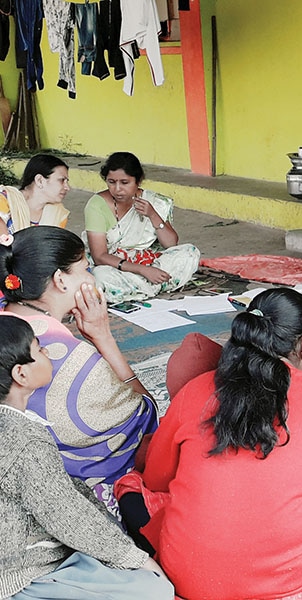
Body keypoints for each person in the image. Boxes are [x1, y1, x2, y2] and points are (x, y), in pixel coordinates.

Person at [114, 289, 302, 600]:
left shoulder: (197, 390)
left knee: (131, 485)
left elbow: (156, 479)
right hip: (291, 577)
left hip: (192, 580)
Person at [0, 316, 174, 600]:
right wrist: (137, 559)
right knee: (154, 588)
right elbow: (66, 517)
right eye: (39, 350)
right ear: (21, 375)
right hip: (18, 575)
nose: (48, 354)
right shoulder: (25, 441)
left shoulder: (16, 427)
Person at [0, 226, 158, 491]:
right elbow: (145, 418)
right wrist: (103, 338)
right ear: (60, 280)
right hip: (62, 494)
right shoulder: (79, 359)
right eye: (86, 269)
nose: (92, 278)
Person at [84, 152, 200, 303]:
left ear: (138, 181)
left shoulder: (154, 201)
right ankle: (153, 285)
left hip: (149, 260)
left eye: (125, 183)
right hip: (116, 266)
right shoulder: (96, 205)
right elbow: (99, 257)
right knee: (100, 276)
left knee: (189, 253)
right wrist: (142, 270)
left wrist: (152, 214)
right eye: (111, 182)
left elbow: (171, 244)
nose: (117, 189)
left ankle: (140, 287)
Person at [0, 153, 71, 235]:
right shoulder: (6, 200)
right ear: (40, 180)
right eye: (62, 180)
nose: (67, 187)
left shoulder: (58, 214)